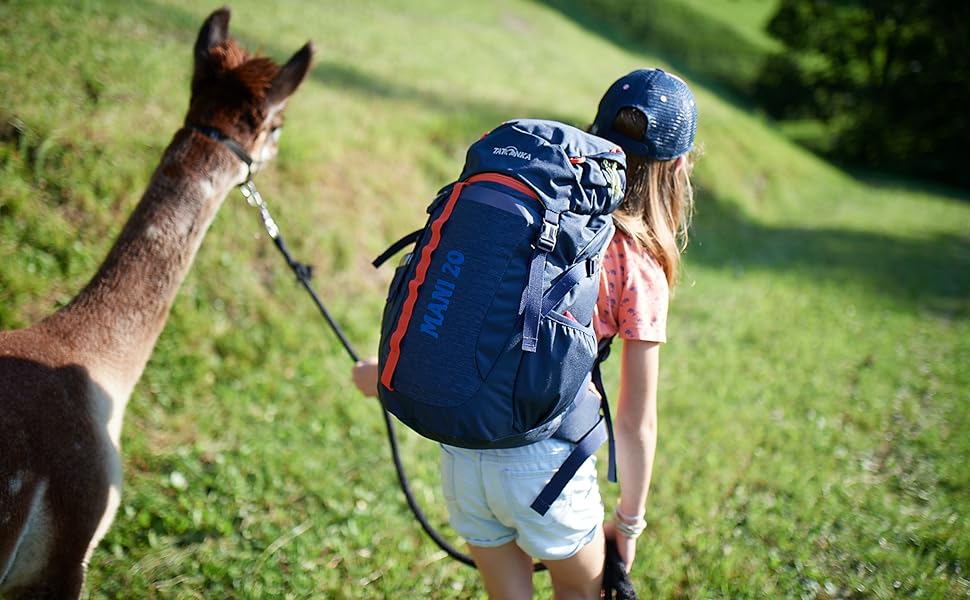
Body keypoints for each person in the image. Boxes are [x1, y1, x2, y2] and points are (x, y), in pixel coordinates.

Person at [352, 68, 698, 599]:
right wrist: (628, 526)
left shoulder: (537, 218)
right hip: (549, 465)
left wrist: (385, 371)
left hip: (464, 457)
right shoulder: (638, 264)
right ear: (677, 167)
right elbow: (635, 419)